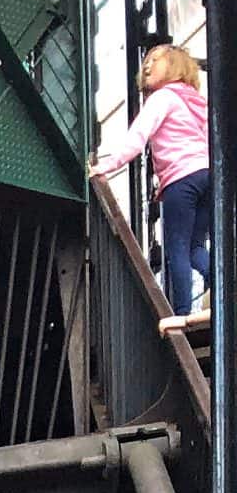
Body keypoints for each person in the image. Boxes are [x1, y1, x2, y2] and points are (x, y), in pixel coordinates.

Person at [93, 45, 211, 319]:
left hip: (181, 179)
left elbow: (138, 137)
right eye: (146, 60)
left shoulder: (162, 98)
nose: (147, 65)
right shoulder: (196, 100)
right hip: (207, 176)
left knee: (177, 248)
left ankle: (181, 312)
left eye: (156, 60)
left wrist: (106, 166)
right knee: (195, 247)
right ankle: (223, 287)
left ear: (175, 66)